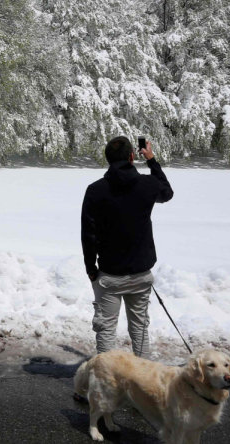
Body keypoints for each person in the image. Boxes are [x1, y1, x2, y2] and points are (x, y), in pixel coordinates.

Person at [81, 136, 173, 358]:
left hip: (109, 274)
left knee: (106, 330)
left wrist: (90, 267)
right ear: (132, 156)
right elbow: (167, 193)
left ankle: (105, 383)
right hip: (141, 273)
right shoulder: (148, 185)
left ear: (107, 159)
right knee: (140, 329)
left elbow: (88, 234)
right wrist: (151, 160)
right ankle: (142, 382)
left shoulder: (95, 190)